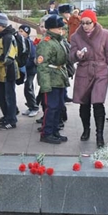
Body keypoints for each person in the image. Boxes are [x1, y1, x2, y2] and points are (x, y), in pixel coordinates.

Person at [70, 10, 108, 147]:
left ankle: (100, 135)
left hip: (100, 71)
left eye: (88, 23)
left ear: (94, 22)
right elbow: (71, 54)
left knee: (98, 103)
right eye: (83, 23)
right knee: (84, 104)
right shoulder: (76, 36)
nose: (85, 26)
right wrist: (77, 55)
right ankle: (86, 129)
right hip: (84, 71)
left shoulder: (104, 34)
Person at [36, 15, 69, 144]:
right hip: (51, 79)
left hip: (59, 78)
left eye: (61, 28)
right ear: (51, 29)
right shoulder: (46, 43)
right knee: (51, 107)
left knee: (59, 106)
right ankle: (47, 133)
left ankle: (55, 131)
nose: (60, 30)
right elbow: (42, 66)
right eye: (58, 28)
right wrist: (45, 85)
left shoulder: (57, 40)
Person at [0, 13, 19, 130]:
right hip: (3, 72)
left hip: (9, 71)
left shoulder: (8, 37)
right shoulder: (2, 37)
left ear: (1, 25)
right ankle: (7, 116)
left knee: (9, 96)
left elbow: (9, 57)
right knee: (0, 94)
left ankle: (11, 120)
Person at [19, 24, 39, 117]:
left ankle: (34, 107)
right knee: (26, 88)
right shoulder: (22, 42)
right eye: (19, 31)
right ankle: (30, 106)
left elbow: (33, 58)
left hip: (31, 69)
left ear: (27, 33)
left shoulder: (30, 43)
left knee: (29, 87)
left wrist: (26, 64)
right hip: (26, 69)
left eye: (22, 31)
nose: (20, 33)